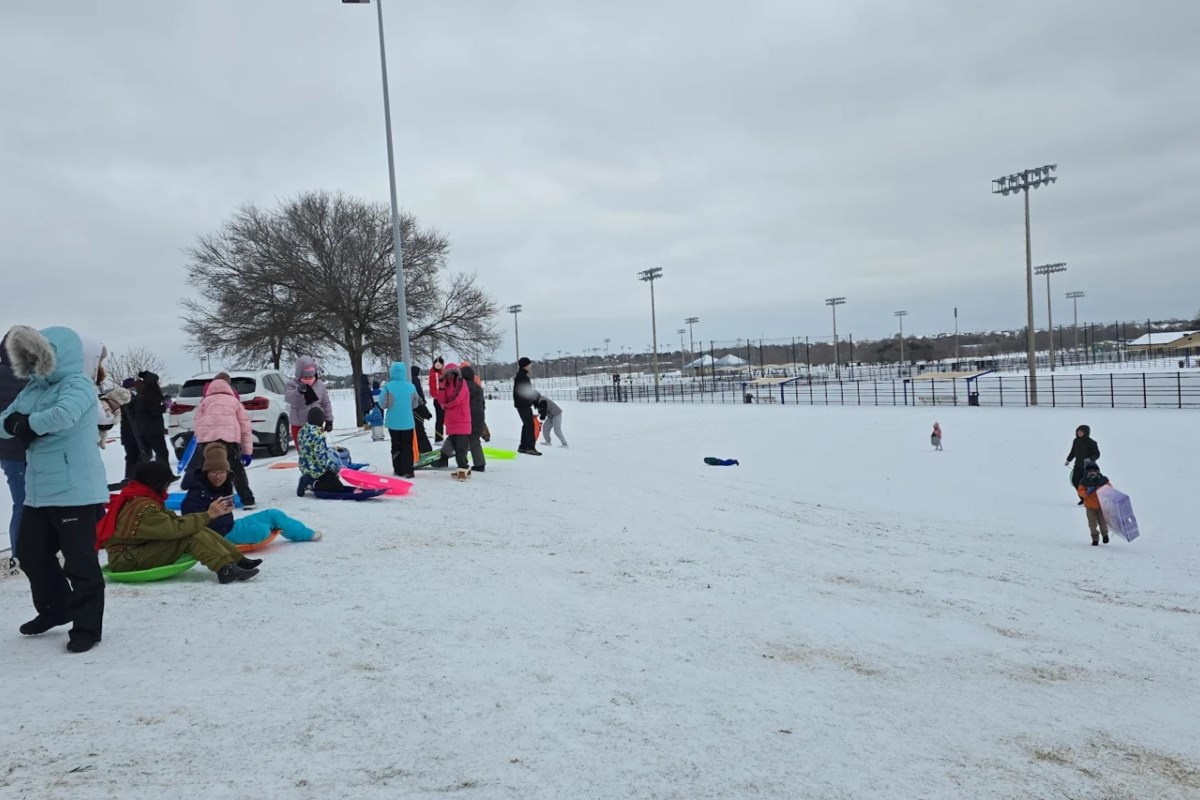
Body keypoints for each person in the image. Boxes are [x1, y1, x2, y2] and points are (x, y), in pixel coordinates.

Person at [0, 325, 109, 652]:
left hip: (75, 488)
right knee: (30, 554)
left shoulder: (77, 384)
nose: (32, 362)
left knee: (80, 562)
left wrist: (26, 424)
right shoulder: (32, 388)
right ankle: (56, 608)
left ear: (53, 355)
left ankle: (87, 627)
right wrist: (21, 424)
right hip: (39, 489)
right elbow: (4, 422)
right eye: (28, 357)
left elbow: (63, 416)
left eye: (38, 355)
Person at [100, 460, 260, 583]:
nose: (167, 489)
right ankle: (225, 569)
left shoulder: (144, 498)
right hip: (127, 560)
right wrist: (208, 515)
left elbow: (175, 522)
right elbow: (174, 530)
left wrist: (205, 516)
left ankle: (237, 560)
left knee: (195, 528)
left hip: (134, 552)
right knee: (189, 537)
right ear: (158, 484)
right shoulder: (144, 507)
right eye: (166, 484)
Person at [182, 444, 320, 545]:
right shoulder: (196, 493)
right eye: (214, 472)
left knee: (274, 514)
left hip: (231, 526)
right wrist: (211, 514)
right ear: (206, 473)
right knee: (261, 531)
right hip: (221, 535)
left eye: (222, 472)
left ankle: (306, 534)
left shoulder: (222, 486)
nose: (218, 477)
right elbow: (189, 525)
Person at [189, 376, 257, 509]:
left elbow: (197, 423)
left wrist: (199, 439)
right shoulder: (234, 402)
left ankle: (209, 501)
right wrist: (247, 451)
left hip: (206, 443)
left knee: (207, 471)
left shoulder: (205, 402)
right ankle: (247, 500)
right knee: (235, 470)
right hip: (229, 442)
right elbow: (245, 427)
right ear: (229, 387)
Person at [0, 331, 29, 575]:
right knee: (24, 502)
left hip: (9, 451)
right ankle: (20, 555)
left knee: (24, 501)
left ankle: (25, 552)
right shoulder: (27, 376)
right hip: (20, 449)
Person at [437, 365, 486, 471]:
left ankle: (444, 457)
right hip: (479, 414)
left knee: (455, 436)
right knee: (474, 439)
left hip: (466, 415)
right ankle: (480, 463)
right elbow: (482, 403)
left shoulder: (461, 385)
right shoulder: (478, 387)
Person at [296, 407, 356, 496]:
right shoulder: (318, 435)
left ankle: (308, 478)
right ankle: (311, 483)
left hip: (304, 467)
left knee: (331, 478)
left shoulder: (302, 431)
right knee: (337, 487)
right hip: (317, 470)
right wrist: (335, 468)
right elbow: (321, 459)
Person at [377, 360, 418, 478]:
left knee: (395, 445)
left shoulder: (388, 387)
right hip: (408, 421)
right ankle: (408, 470)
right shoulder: (411, 386)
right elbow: (415, 404)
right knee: (407, 445)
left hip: (393, 422)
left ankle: (398, 468)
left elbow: (382, 404)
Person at [284, 356, 333, 450]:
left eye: (311, 377)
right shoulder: (291, 384)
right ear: (299, 375)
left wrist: (329, 420)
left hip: (316, 424)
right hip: (299, 424)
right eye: (305, 377)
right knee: (304, 451)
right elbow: (289, 398)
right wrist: (298, 391)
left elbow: (326, 403)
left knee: (318, 450)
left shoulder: (320, 385)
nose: (308, 379)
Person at [433, 363, 472, 471]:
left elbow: (457, 399)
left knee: (461, 446)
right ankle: (460, 466)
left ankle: (463, 467)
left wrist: (446, 406)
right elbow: (441, 400)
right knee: (455, 444)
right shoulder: (446, 384)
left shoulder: (461, 382)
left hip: (461, 418)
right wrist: (441, 387)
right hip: (451, 419)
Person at [134, 370, 171, 464]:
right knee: (162, 453)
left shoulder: (140, 393)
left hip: (142, 429)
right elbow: (155, 411)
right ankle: (165, 475)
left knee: (146, 455)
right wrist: (165, 406)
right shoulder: (151, 393)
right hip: (153, 429)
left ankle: (144, 475)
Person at [1076, 459, 1111, 546]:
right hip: (1090, 507)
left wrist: (1104, 490)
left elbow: (1110, 488)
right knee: (1092, 525)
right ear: (1087, 472)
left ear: (1098, 471)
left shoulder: (1103, 480)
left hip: (1102, 506)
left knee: (1103, 524)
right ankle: (1095, 539)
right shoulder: (1084, 481)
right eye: (1090, 471)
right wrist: (1086, 493)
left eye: (1094, 471)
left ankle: (1105, 534)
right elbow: (1080, 491)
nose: (1092, 473)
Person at [1064, 424, 1100, 505]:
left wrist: (1090, 459)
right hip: (1077, 466)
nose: (1079, 433)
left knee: (1087, 483)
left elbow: (1097, 454)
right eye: (1078, 432)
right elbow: (1073, 452)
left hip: (1088, 468)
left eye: (1081, 432)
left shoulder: (1092, 442)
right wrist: (1068, 460)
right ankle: (1083, 498)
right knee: (1075, 481)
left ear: (1086, 432)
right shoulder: (1076, 441)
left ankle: (1091, 499)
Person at [117, 377, 143, 483]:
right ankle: (130, 476)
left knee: (140, 454)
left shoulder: (136, 398)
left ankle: (137, 476)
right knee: (132, 455)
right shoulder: (123, 400)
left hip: (137, 431)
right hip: (130, 432)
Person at [513, 357, 541, 455]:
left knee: (526, 424)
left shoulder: (521, 375)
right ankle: (530, 447)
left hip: (521, 404)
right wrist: (532, 401)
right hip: (523, 404)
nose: (531, 366)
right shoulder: (522, 377)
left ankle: (523, 446)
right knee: (529, 425)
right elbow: (524, 392)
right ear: (525, 365)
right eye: (529, 364)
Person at [410, 365, 433, 454]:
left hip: (414, 408)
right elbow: (419, 394)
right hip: (418, 408)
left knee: (417, 430)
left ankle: (419, 448)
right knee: (420, 430)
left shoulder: (408, 379)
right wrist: (424, 408)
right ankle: (425, 449)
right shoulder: (415, 380)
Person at [429, 357, 446, 443]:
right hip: (440, 400)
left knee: (441, 418)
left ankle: (439, 437)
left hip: (440, 399)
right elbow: (435, 389)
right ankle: (438, 438)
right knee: (440, 419)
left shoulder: (439, 373)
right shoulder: (435, 375)